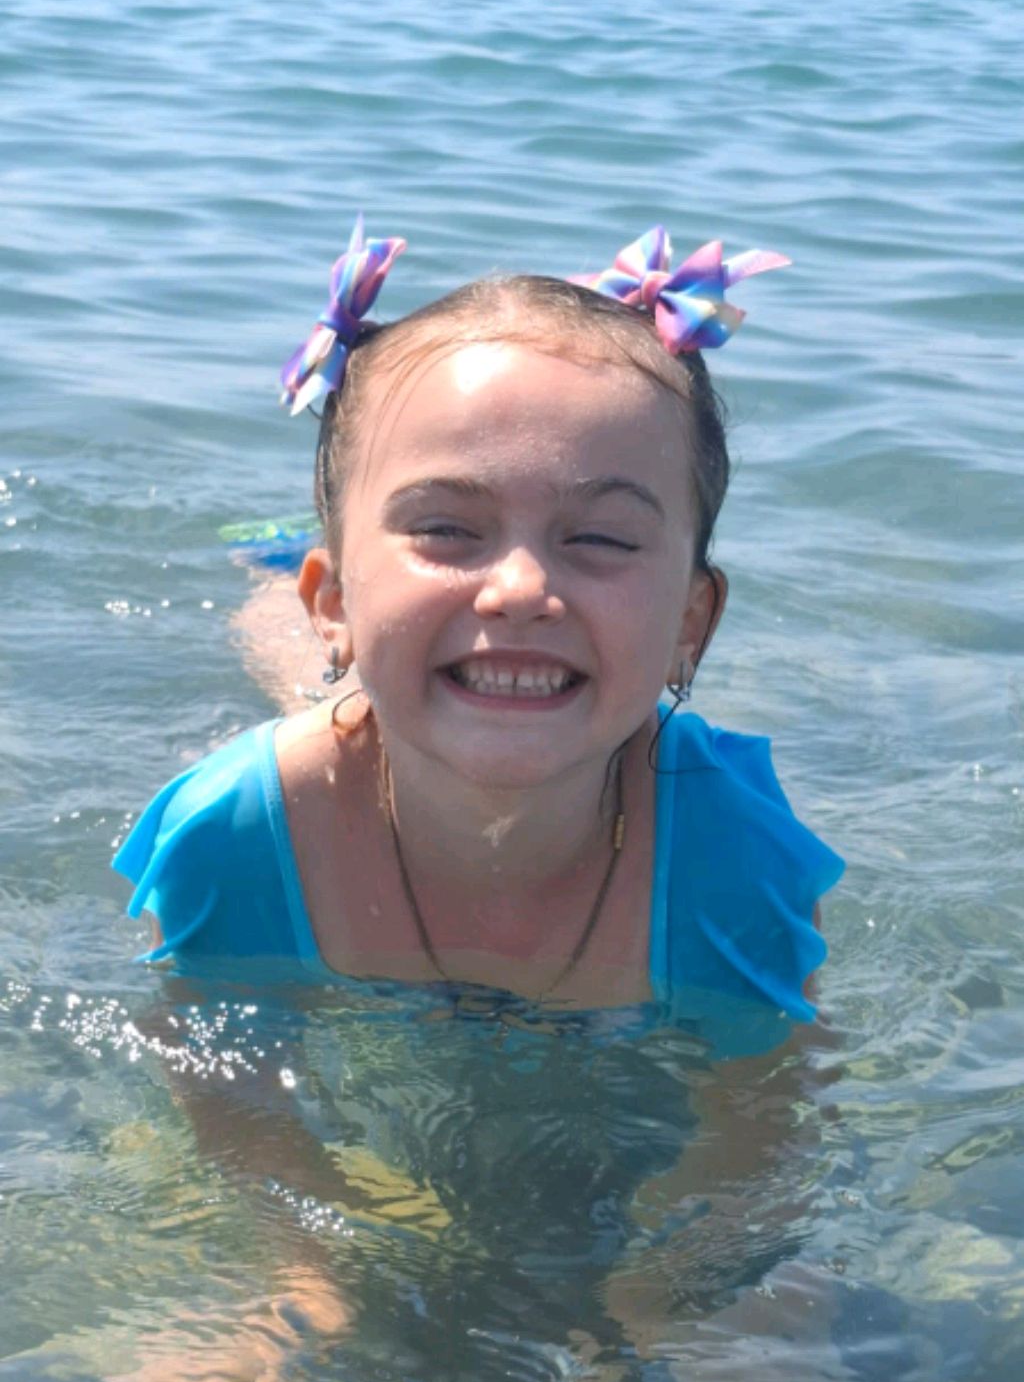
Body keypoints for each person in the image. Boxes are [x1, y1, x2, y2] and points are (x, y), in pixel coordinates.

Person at [114, 218, 844, 1038]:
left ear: (690, 621)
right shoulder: (233, 839)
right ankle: (276, 573)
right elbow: (224, 1103)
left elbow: (764, 1107)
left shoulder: (739, 862)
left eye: (601, 538)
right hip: (338, 742)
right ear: (335, 603)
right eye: (445, 528)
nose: (521, 589)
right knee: (316, 684)